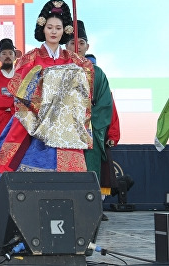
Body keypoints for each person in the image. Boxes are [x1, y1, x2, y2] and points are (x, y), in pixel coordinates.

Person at [0, 0, 94, 211]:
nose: (53, 32)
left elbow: (83, 94)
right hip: (34, 123)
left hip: (63, 128)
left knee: (68, 180)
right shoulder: (31, 58)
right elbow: (19, 90)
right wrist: (43, 100)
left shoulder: (77, 62)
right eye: (49, 28)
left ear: (64, 30)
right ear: (42, 29)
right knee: (18, 172)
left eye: (58, 28)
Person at [66, 24, 120, 220]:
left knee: (91, 169)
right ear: (66, 46)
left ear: (87, 46)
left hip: (89, 130)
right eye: (73, 42)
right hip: (64, 131)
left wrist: (86, 119)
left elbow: (105, 104)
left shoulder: (98, 73)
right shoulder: (60, 70)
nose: (77, 47)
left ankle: (92, 208)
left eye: (81, 43)